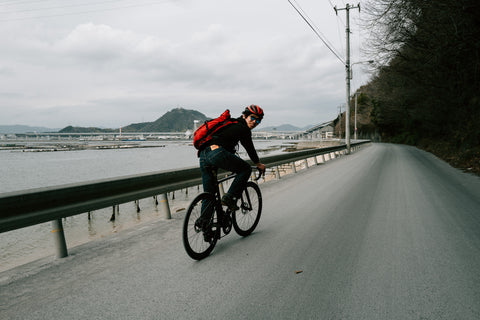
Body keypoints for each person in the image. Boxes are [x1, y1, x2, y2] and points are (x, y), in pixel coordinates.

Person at [197, 105, 266, 227]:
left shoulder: (231, 123)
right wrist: (258, 164)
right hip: (216, 153)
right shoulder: (242, 127)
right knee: (245, 169)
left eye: (258, 120)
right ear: (244, 115)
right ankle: (230, 198)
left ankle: (205, 225)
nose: (255, 122)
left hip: (203, 155)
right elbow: (249, 147)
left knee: (210, 194)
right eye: (253, 118)